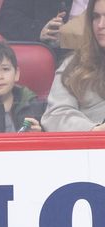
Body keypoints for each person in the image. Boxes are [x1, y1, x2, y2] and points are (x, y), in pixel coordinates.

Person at [41, 0, 105, 131]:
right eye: (95, 17)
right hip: (90, 147)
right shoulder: (75, 64)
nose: (100, 25)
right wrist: (94, 130)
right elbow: (55, 116)